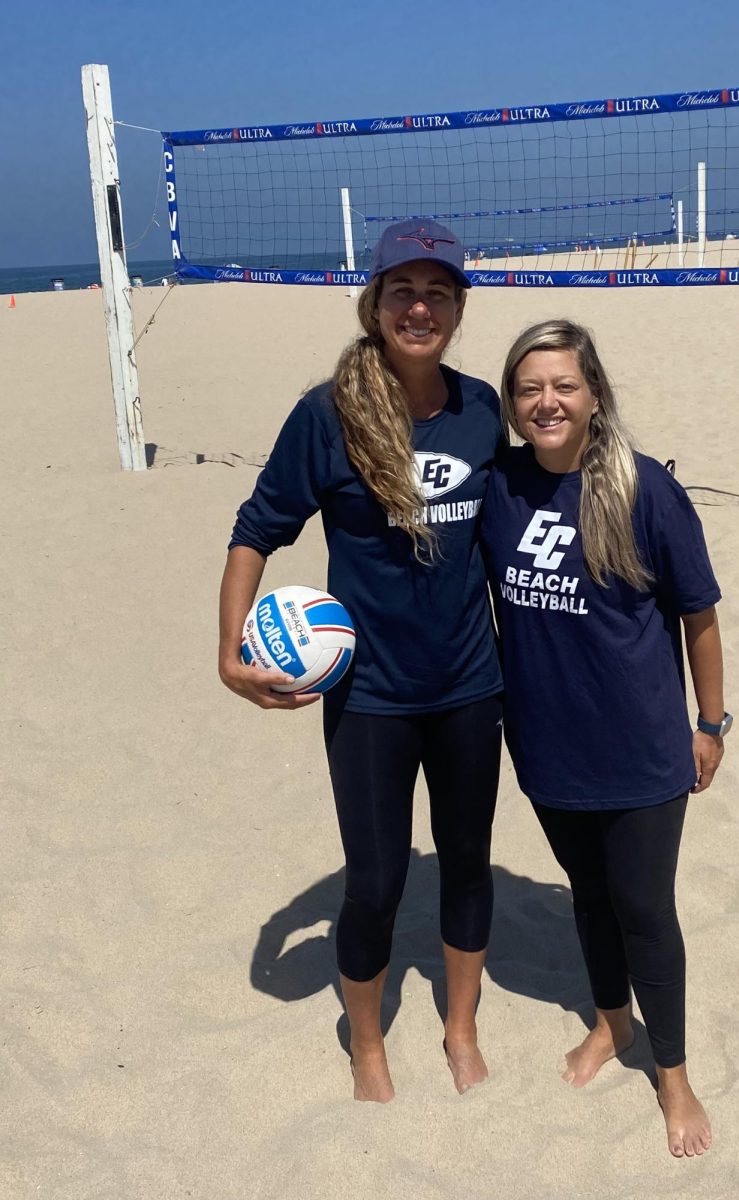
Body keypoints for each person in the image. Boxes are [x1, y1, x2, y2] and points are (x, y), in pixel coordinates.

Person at [218, 220, 505, 1103]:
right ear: (373, 304)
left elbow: (518, 535)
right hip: (371, 696)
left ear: (457, 309)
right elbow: (255, 531)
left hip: (467, 687)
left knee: (466, 864)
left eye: (437, 293)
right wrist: (231, 655)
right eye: (401, 292)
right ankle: (369, 1043)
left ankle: (459, 1026)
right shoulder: (325, 416)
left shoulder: (481, 409)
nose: (419, 307)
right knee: (375, 881)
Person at [480, 319, 728, 1157]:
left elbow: (699, 615)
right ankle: (611, 1023)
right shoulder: (499, 485)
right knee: (589, 897)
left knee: (645, 909)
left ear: (593, 396)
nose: (545, 401)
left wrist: (709, 722)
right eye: (528, 388)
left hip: (641, 750)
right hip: (547, 748)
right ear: (511, 404)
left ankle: (673, 1073)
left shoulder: (642, 487)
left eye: (563, 386)